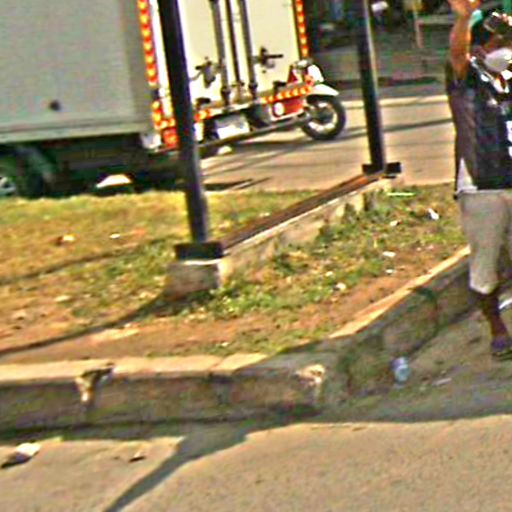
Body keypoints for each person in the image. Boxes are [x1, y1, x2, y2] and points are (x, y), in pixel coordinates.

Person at [447, 0, 512, 359]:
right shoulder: (468, 79)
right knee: (484, 265)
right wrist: (462, 20)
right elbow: (457, 54)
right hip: (481, 185)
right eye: (496, 43)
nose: (503, 50)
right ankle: (497, 328)